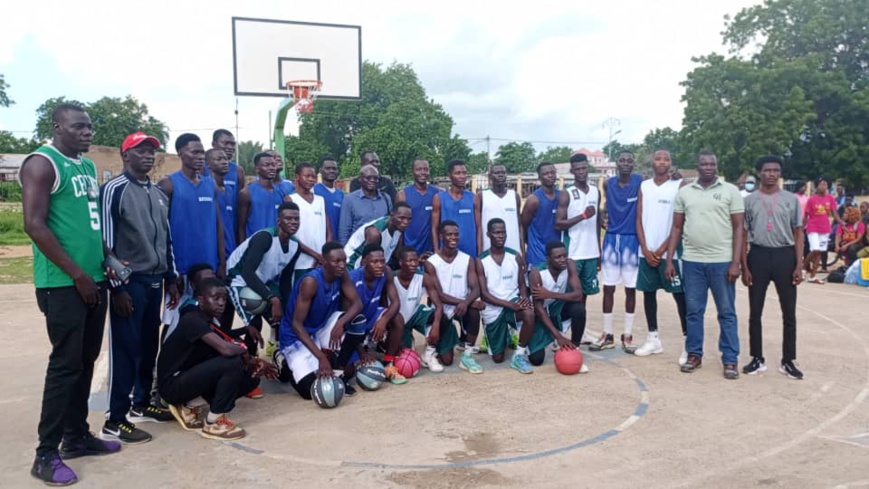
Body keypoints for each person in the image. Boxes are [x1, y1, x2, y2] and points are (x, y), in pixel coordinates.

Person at [21, 103, 121, 485]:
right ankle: (45, 454)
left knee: (85, 360)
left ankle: (76, 436)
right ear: (57, 127)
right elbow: (34, 225)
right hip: (63, 283)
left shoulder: (86, 166)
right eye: (79, 127)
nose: (87, 132)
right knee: (64, 366)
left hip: (93, 278)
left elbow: (89, 225)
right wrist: (77, 274)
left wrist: (107, 258)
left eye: (89, 127)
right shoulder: (42, 164)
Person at [100, 132, 180, 444]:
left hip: (155, 280)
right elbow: (105, 242)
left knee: (148, 346)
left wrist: (171, 276)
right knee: (125, 349)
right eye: (140, 150)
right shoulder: (114, 189)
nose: (148, 156)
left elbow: (166, 238)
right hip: (129, 283)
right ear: (125, 155)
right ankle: (115, 419)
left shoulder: (158, 193)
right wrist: (117, 287)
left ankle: (141, 403)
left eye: (151, 151)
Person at [158, 278, 275, 441]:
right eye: (216, 298)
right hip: (172, 385)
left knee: (251, 378)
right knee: (232, 361)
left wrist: (252, 360)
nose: (221, 303)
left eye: (224, 299)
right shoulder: (192, 319)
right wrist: (246, 354)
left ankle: (188, 405)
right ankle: (214, 423)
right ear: (201, 300)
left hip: (187, 378)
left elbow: (225, 337)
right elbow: (226, 349)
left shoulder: (209, 320)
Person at [665, 151, 744, 380]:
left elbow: (739, 228)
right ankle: (694, 355)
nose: (708, 167)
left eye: (712, 163)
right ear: (697, 167)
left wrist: (736, 262)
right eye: (704, 164)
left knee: (726, 312)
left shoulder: (730, 191)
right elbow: (677, 228)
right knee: (693, 312)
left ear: (716, 166)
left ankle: (730, 359)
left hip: (722, 262)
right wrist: (670, 259)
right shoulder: (685, 192)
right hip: (692, 261)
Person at [741, 155, 805, 380]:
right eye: (767, 170)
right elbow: (743, 233)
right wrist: (744, 265)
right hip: (758, 255)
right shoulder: (749, 201)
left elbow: (798, 232)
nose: (772, 174)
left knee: (789, 311)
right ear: (759, 173)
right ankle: (757, 358)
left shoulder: (791, 199)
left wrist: (799, 264)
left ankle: (788, 360)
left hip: (784, 255)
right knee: (755, 311)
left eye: (776, 170)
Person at [278, 242, 364, 398]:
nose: (342, 265)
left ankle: (339, 370)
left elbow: (357, 304)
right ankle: (284, 362)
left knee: (357, 321)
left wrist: (340, 323)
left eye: (344, 260)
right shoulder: (311, 282)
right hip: (296, 334)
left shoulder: (342, 273)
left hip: (321, 326)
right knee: (309, 391)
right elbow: (296, 325)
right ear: (324, 261)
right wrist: (321, 357)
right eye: (336, 261)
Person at [226, 202, 302, 362]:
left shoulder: (295, 246)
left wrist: (286, 306)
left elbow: (285, 281)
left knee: (283, 320)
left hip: (261, 280)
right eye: (288, 218)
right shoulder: (265, 238)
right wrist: (272, 299)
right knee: (255, 322)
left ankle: (281, 358)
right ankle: (249, 362)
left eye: (296, 219)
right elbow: (247, 272)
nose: (293, 222)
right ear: (278, 221)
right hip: (237, 278)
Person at [634, 150, 688, 363]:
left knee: (680, 296)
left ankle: (688, 343)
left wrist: (661, 251)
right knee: (648, 294)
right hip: (646, 252)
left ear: (671, 163)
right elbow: (638, 219)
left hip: (670, 253)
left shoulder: (679, 185)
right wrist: (645, 249)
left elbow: (679, 223)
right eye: (658, 159)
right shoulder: (644, 186)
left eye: (666, 159)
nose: (662, 162)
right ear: (652, 162)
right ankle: (653, 338)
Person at [591, 151, 642, 353]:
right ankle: (607, 334)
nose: (626, 163)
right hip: (612, 239)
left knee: (630, 288)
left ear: (634, 164)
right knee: (608, 288)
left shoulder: (640, 181)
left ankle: (627, 335)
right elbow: (604, 207)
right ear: (616, 164)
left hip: (632, 239)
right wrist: (605, 215)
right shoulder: (608, 184)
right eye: (622, 160)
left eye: (629, 160)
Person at [476, 218, 536, 373]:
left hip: (512, 301)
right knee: (498, 358)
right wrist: (510, 305)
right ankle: (506, 334)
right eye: (496, 232)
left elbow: (522, 284)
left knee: (529, 313)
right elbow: (484, 294)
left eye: (503, 232)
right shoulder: (481, 260)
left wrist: (524, 299)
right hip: (493, 308)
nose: (501, 236)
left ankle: (519, 354)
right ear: (488, 234)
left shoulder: (515, 256)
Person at [424, 220, 483, 373]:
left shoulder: (467, 259)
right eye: (449, 234)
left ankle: (467, 355)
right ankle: (431, 349)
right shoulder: (431, 262)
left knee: (474, 312)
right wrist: (464, 302)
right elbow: (439, 295)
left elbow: (476, 289)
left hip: (461, 308)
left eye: (456, 234)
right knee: (447, 360)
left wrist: (466, 303)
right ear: (441, 236)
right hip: (440, 310)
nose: (453, 238)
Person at [555, 153, 601, 345]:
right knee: (569, 295)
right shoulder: (566, 193)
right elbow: (558, 224)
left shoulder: (596, 191)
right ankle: (561, 332)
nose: (581, 172)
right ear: (572, 171)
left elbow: (597, 222)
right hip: (573, 253)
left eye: (584, 168)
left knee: (585, 295)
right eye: (577, 169)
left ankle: (579, 331)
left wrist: (599, 251)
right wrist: (582, 216)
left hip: (591, 252)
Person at [348, 245, 407, 384]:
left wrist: (384, 320)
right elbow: (346, 318)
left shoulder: (386, 271)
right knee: (348, 372)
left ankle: (388, 364)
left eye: (382, 261)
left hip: (372, 315)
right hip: (353, 323)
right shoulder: (352, 279)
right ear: (364, 262)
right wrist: (362, 352)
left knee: (397, 318)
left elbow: (396, 302)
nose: (380, 265)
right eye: (375, 262)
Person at [527, 241, 588, 370]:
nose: (563, 260)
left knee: (579, 309)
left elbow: (578, 295)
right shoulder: (536, 273)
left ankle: (574, 349)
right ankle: (529, 340)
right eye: (558, 257)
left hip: (557, 309)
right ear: (548, 259)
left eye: (564, 255)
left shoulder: (570, 265)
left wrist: (550, 294)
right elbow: (538, 308)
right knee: (536, 360)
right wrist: (558, 337)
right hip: (539, 315)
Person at [392, 246, 452, 372]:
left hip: (415, 314)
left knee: (442, 318)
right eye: (409, 261)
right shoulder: (392, 279)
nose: (413, 264)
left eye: (415, 260)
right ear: (401, 262)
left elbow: (438, 305)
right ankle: (406, 340)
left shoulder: (424, 278)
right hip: (397, 320)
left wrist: (436, 325)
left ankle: (429, 354)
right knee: (403, 358)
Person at [287, 162, 331, 281]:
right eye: (307, 176)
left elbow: (328, 231)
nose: (311, 179)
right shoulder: (291, 199)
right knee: (300, 290)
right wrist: (315, 255)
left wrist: (324, 254)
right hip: (300, 261)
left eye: (313, 176)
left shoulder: (320, 200)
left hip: (321, 261)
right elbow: (289, 235)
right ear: (297, 177)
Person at [431, 160, 478, 258]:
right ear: (450, 176)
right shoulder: (439, 198)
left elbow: (479, 227)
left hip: (470, 252)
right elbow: (434, 227)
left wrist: (480, 252)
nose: (462, 176)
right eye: (457, 173)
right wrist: (436, 251)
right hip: (447, 253)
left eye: (464, 173)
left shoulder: (473, 198)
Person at [344, 202, 411, 269]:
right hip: (351, 265)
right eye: (401, 218)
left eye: (409, 219)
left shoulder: (398, 229)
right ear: (392, 214)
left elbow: (397, 257)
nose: (406, 222)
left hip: (375, 267)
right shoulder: (374, 234)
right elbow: (365, 263)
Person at [237, 152, 287, 242]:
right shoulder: (246, 193)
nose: (271, 168)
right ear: (257, 169)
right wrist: (243, 247)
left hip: (276, 245)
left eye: (273, 165)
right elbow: (241, 226)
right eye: (267, 165)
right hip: (255, 245)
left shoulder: (281, 192)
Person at [396, 159, 439, 257]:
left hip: (431, 249)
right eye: (419, 169)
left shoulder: (438, 194)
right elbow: (398, 227)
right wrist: (400, 252)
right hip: (410, 249)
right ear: (412, 172)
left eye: (426, 169)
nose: (423, 172)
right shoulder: (402, 195)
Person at [476, 163, 523, 254]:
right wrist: (480, 250)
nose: (501, 175)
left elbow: (519, 225)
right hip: (488, 250)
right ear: (490, 176)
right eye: (497, 173)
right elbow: (478, 226)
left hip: (513, 250)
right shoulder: (482, 196)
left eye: (503, 172)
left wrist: (523, 251)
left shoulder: (514, 196)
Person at [339, 165, 393, 242]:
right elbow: (344, 231)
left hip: (382, 246)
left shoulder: (386, 198)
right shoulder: (349, 200)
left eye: (375, 178)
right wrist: (345, 248)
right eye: (368, 178)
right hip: (359, 247)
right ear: (360, 179)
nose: (372, 180)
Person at [804, 178, 842, 283]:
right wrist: (802, 227)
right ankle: (803, 267)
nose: (823, 186)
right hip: (813, 228)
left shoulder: (830, 198)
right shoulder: (812, 199)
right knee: (815, 249)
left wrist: (841, 222)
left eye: (825, 184)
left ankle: (813, 276)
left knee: (820, 252)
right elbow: (806, 215)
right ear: (816, 186)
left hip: (825, 228)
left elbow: (834, 212)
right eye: (821, 184)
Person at [522, 162, 561, 266]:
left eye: (552, 172)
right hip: (537, 255)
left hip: (558, 255)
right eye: (546, 173)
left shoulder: (562, 197)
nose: (550, 175)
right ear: (539, 177)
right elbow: (523, 226)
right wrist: (526, 248)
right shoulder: (533, 200)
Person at [206, 148, 238, 257]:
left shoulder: (230, 190)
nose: (224, 162)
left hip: (230, 247)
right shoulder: (205, 187)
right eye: (219, 159)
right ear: (208, 164)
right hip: (212, 249)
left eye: (225, 159)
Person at [313, 156, 343, 238]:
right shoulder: (314, 190)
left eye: (334, 169)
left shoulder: (341, 194)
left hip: (337, 240)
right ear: (321, 170)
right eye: (328, 168)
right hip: (320, 238)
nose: (331, 171)